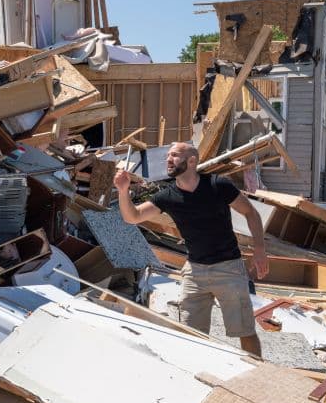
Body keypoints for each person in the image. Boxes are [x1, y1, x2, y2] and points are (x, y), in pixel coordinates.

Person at [113, 142, 267, 356]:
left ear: (192, 161)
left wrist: (259, 249)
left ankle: (259, 370)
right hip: (194, 272)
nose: (168, 159)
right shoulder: (167, 196)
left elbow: (251, 212)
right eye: (167, 155)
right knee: (190, 334)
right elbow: (133, 217)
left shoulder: (218, 185)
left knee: (244, 330)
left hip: (229, 269)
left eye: (175, 155)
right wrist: (123, 191)